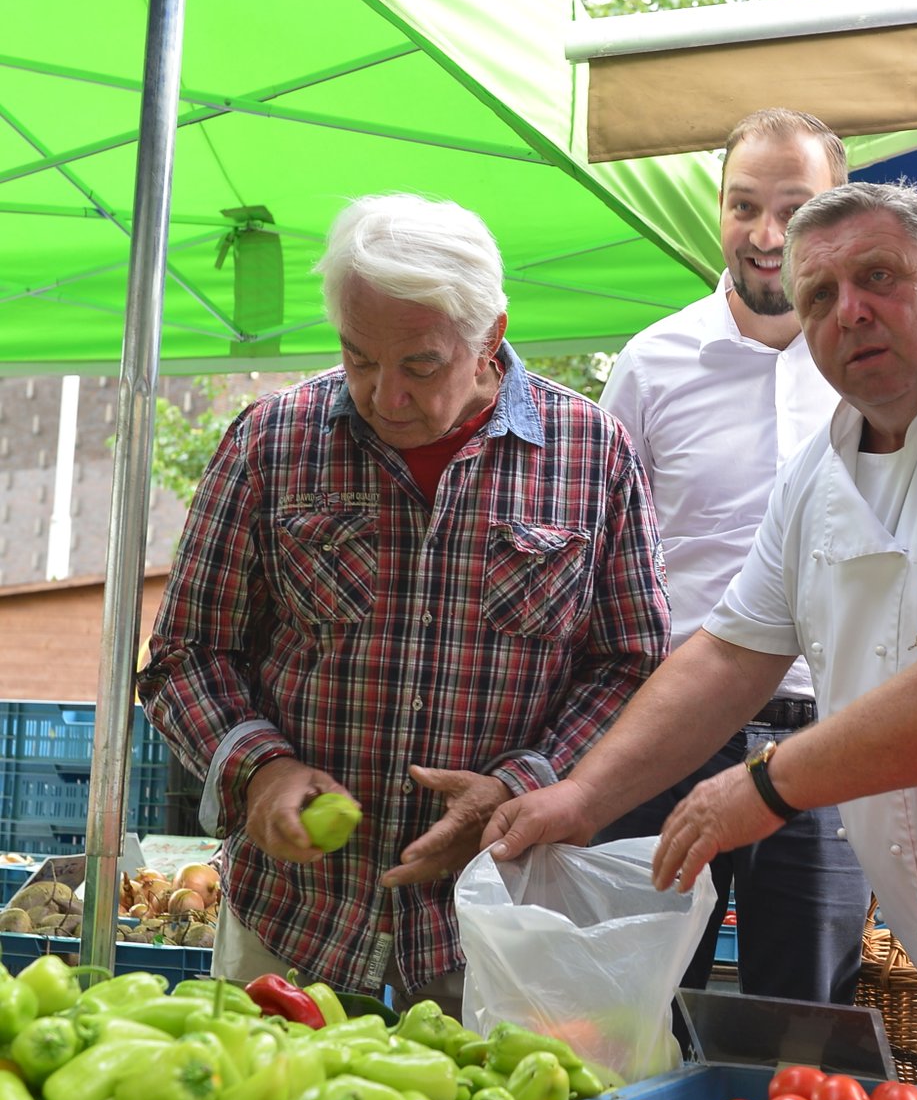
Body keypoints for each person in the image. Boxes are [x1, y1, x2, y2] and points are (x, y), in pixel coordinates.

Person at [484, 179, 917, 1099]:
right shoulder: (823, 465)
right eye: (818, 295)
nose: (849, 312)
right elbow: (729, 653)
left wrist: (768, 785)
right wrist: (580, 801)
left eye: (879, 277)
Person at [138, 193, 671, 1006]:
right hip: (292, 920)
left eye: (420, 364)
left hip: (494, 923)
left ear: (490, 337)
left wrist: (521, 785)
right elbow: (185, 655)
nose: (385, 396)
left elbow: (630, 666)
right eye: (359, 360)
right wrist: (262, 769)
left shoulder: (592, 455)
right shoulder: (271, 442)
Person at [594, 108, 869, 1001]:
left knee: (809, 1024)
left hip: (832, 742)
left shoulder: (875, 364)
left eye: (796, 206)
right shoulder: (650, 365)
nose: (766, 234)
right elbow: (603, 561)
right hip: (675, 739)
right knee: (641, 1003)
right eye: (743, 204)